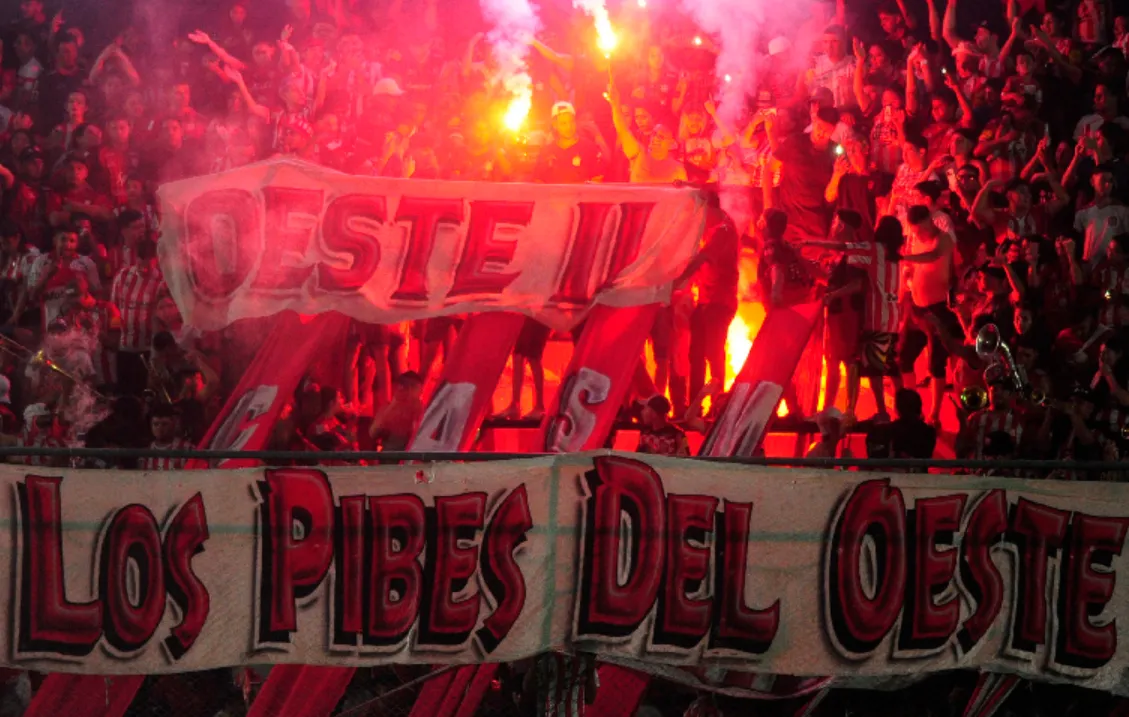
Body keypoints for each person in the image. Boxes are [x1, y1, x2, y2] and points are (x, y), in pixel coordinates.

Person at [898, 205, 962, 426]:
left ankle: (934, 413)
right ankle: (912, 407)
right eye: (914, 230)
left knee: (936, 362)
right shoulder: (914, 240)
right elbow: (913, 268)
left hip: (938, 308)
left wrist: (906, 256)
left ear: (929, 221)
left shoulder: (943, 239)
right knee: (904, 356)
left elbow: (933, 256)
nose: (917, 234)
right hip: (916, 307)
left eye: (919, 229)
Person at [110, 238, 167, 397]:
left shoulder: (161, 282)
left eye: (150, 261)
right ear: (136, 257)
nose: (145, 265)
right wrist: (114, 338)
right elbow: (114, 307)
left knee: (145, 393)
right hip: (124, 347)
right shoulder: (123, 276)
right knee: (125, 394)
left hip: (148, 348)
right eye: (142, 259)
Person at [138, 403, 191, 470]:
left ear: (173, 424)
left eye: (164, 424)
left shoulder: (187, 449)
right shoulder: (145, 455)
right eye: (156, 424)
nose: (160, 428)